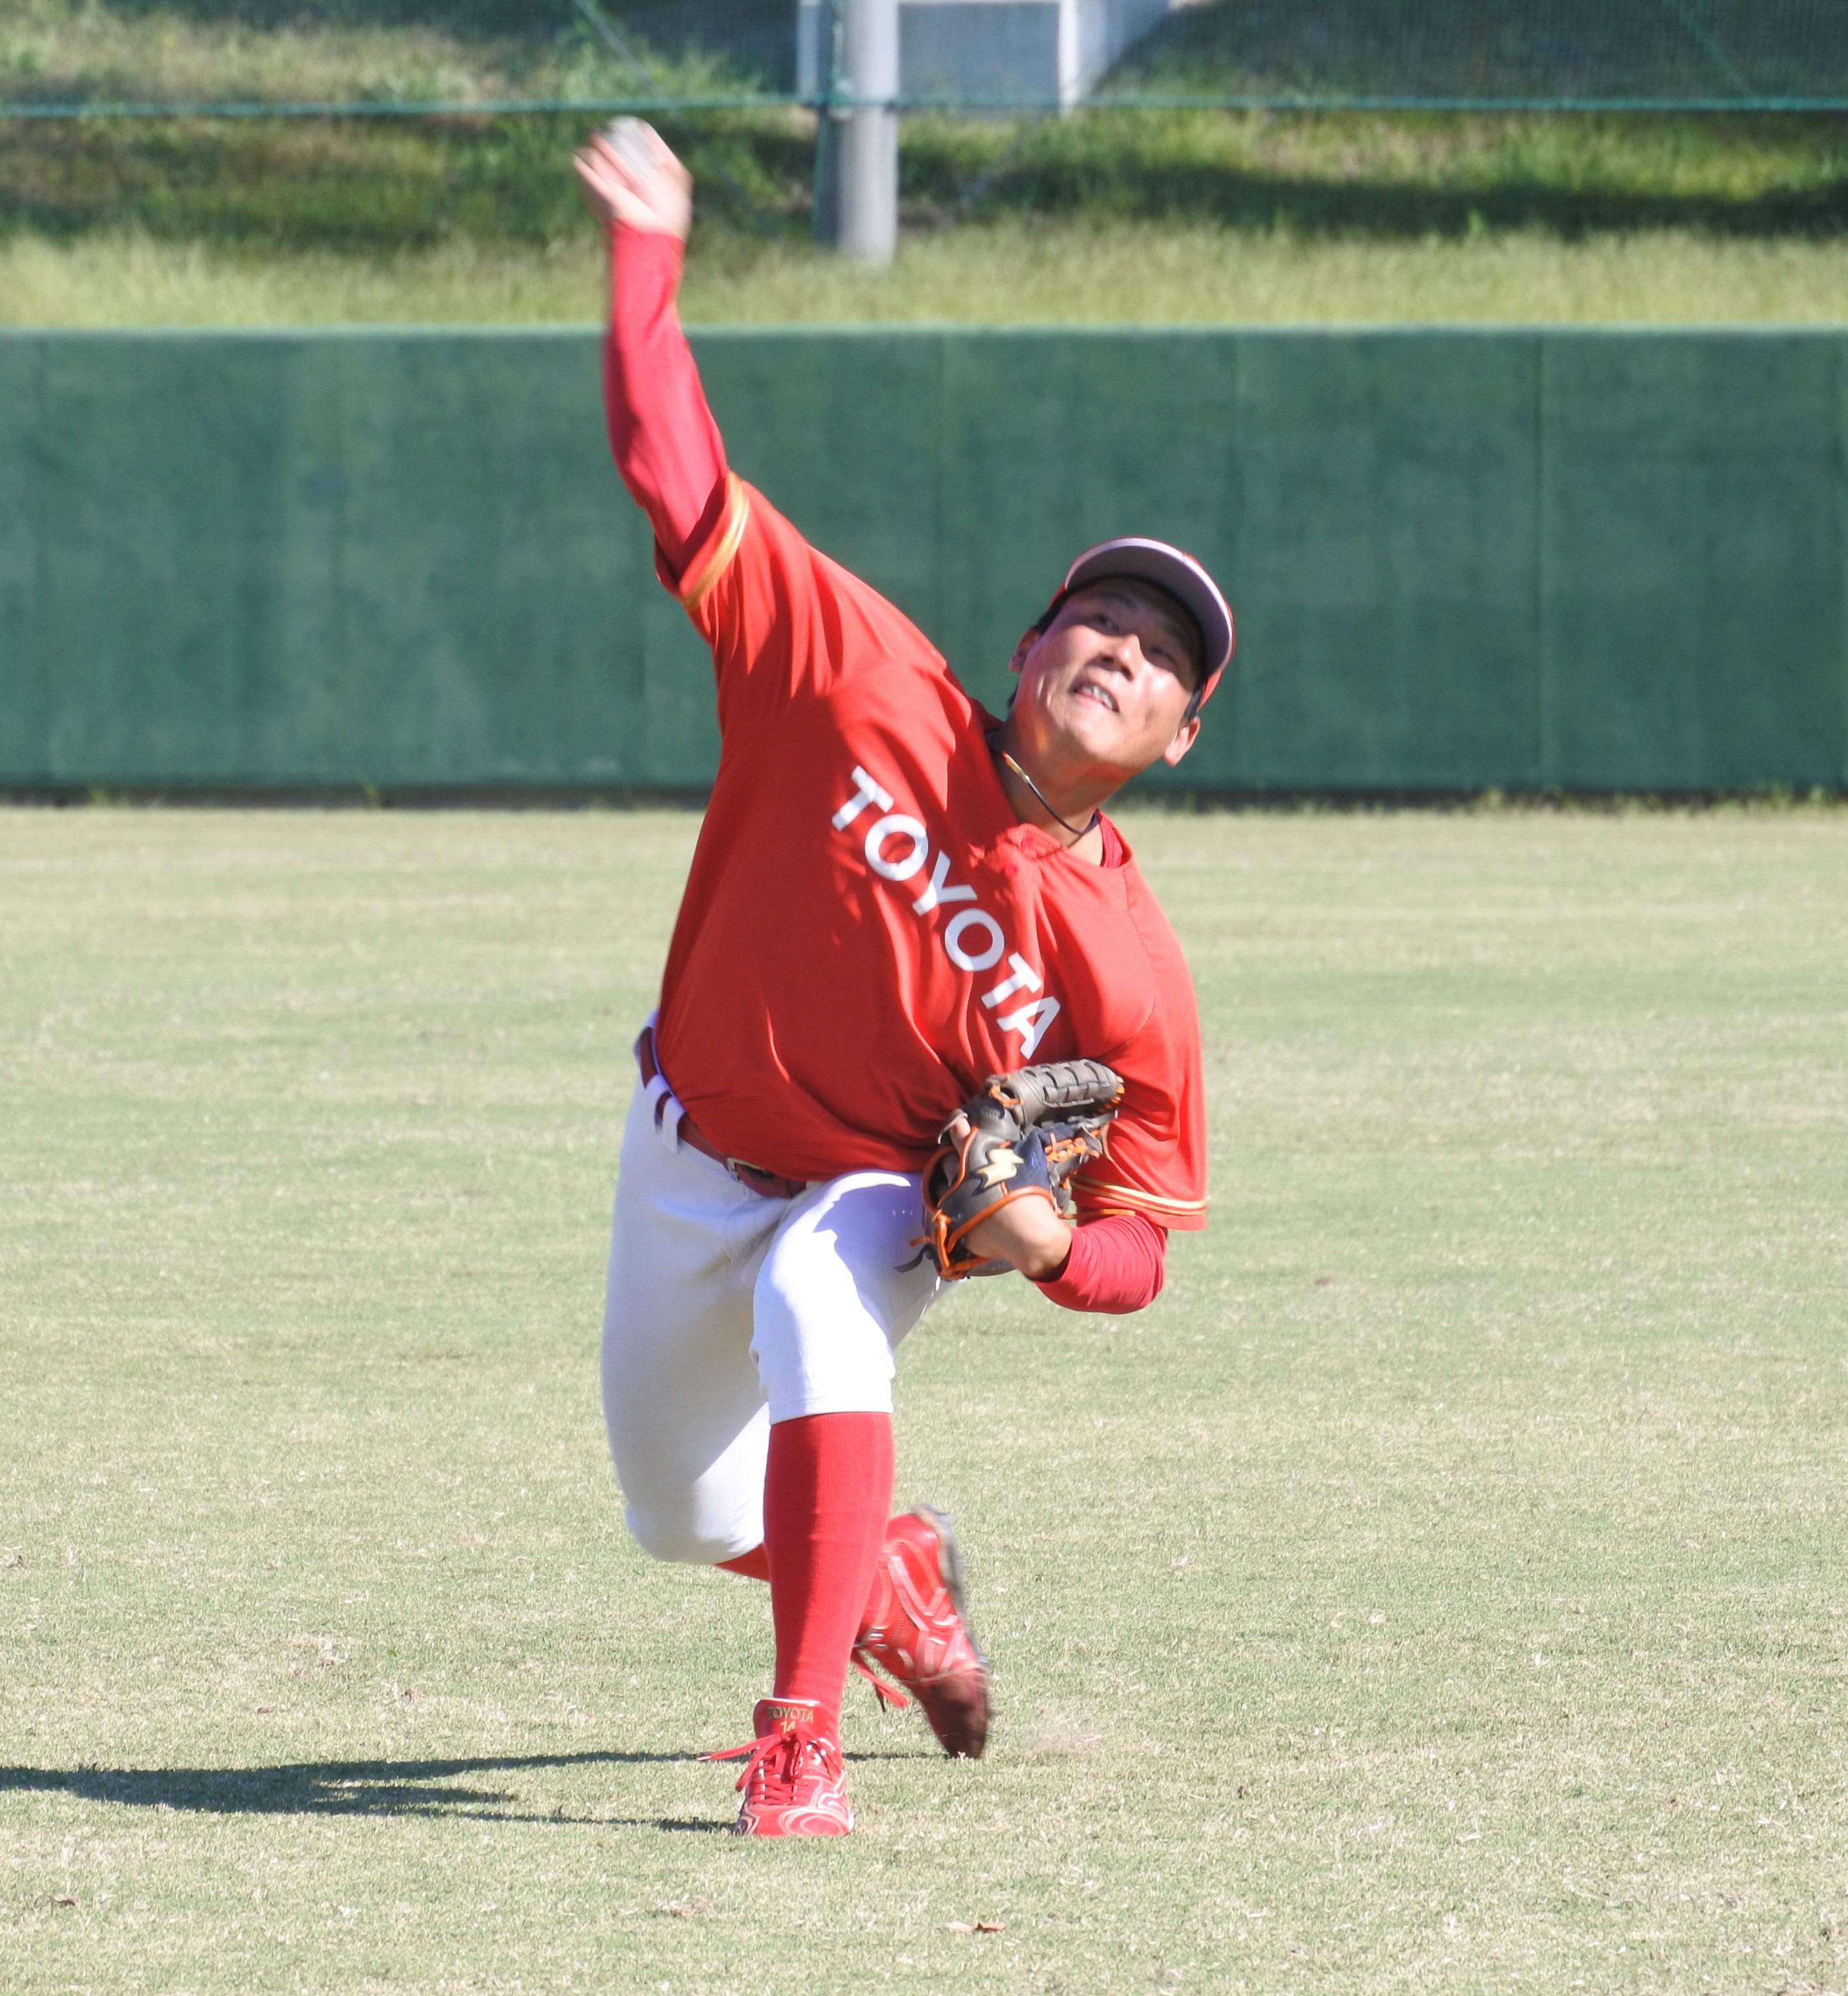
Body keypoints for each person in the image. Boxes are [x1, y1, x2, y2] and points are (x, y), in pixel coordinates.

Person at [575, 121, 1232, 1838]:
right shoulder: (853, 676)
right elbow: (673, 471)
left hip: (874, 1193)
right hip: (685, 1138)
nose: (1123, 652)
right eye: (1100, 621)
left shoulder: (1129, 969)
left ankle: (799, 1739)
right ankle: (884, 1566)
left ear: (1176, 738)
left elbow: (1143, 1241)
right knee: (667, 1508)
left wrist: (1044, 1245)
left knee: (817, 1294)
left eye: (1162, 660)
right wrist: (648, 255)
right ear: (1029, 648)